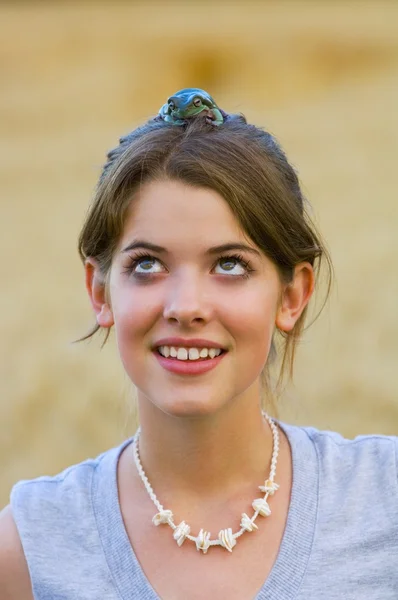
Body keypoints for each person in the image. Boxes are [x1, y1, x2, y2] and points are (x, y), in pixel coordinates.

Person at [0, 88, 397, 600]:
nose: (186, 306)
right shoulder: (28, 548)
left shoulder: (384, 502)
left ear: (292, 295)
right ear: (100, 292)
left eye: (230, 264)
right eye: (147, 264)